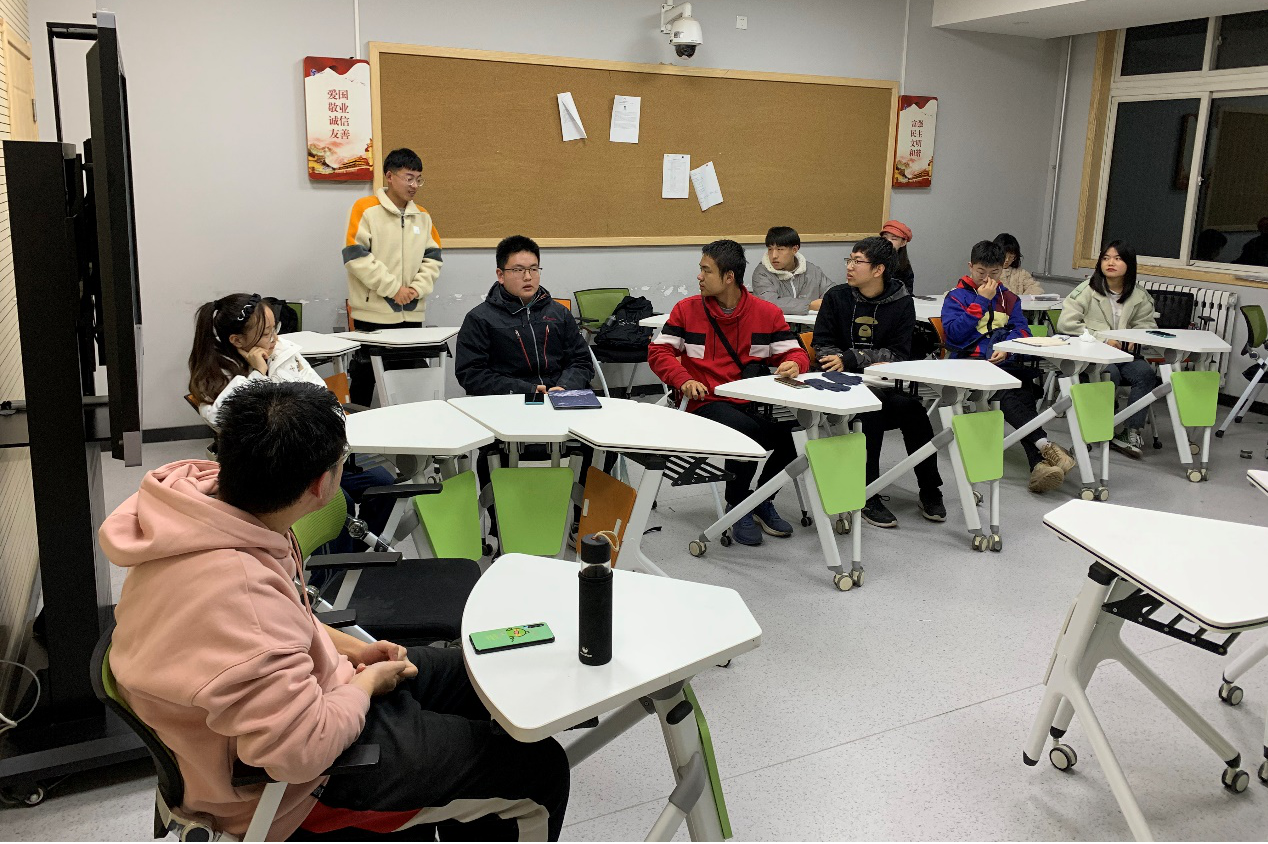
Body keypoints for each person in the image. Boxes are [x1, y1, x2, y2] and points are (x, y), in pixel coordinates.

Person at [102, 381, 570, 841]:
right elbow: (300, 753)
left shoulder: (204, 508)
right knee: (540, 771)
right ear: (321, 483)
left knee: (477, 676)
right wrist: (366, 684)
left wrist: (356, 651)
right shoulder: (238, 594)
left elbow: (285, 625)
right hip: (298, 787)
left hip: (314, 693)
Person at [188, 293, 393, 551]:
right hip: (279, 469)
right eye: (266, 334)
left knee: (383, 482)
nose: (275, 339)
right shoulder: (214, 377)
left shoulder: (283, 352)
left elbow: (323, 396)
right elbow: (231, 419)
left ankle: (352, 554)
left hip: (317, 452)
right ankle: (332, 566)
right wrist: (258, 373)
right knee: (341, 502)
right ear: (237, 340)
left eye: (275, 329)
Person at [648, 239, 810, 546]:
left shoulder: (767, 313)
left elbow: (794, 352)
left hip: (749, 403)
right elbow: (659, 352)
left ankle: (761, 499)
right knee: (746, 433)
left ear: (728, 277)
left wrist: (794, 363)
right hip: (701, 403)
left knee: (796, 436)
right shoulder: (686, 310)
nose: (699, 276)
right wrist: (683, 379)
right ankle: (737, 506)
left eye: (706, 270)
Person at [812, 236, 945, 528]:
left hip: (883, 383)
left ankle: (930, 488)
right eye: (849, 260)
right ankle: (866, 493)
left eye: (857, 261)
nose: (849, 267)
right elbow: (822, 344)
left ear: (878, 270)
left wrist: (853, 357)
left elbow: (898, 354)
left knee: (914, 410)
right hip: (841, 384)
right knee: (870, 412)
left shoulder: (901, 302)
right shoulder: (837, 297)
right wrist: (843, 360)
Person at [942, 241, 1075, 493]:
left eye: (994, 273)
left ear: (1002, 269)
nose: (987, 279)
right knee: (1004, 393)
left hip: (1003, 364)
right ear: (970, 267)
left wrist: (1007, 347)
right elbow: (954, 335)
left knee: (1024, 392)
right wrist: (981, 301)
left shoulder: (1009, 298)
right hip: (968, 365)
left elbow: (1022, 330)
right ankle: (1046, 446)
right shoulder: (956, 297)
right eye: (981, 272)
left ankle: (1039, 465)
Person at [342, 148, 444, 405]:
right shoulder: (365, 209)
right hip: (372, 317)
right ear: (389, 176)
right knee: (364, 379)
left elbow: (433, 259)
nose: (414, 185)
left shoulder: (423, 216)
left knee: (411, 384)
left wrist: (416, 289)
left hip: (412, 315)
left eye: (418, 179)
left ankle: (411, 430)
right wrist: (393, 289)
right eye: (409, 178)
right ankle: (353, 429)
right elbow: (355, 256)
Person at [454, 235, 594, 397]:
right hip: (510, 399)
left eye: (533, 269)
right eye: (518, 270)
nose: (528, 277)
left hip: (560, 395)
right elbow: (471, 374)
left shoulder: (559, 313)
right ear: (500, 275)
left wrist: (565, 386)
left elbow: (581, 361)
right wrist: (526, 390)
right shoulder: (480, 318)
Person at [1057, 240, 1160, 458]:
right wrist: (1102, 339)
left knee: (1145, 375)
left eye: (1117, 258)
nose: (1110, 263)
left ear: (1129, 264)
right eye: (1106, 258)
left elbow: (1147, 326)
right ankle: (1102, 424)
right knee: (1108, 374)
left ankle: (1131, 431)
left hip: (1125, 355)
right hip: (1094, 354)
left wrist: (1134, 338)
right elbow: (1066, 324)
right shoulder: (1086, 290)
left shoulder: (1139, 295)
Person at [750, 226, 837, 314]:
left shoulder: (812, 270)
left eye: (780, 249)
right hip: (777, 322)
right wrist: (809, 305)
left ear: (794, 250)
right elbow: (769, 303)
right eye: (770, 249)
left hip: (811, 323)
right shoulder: (762, 273)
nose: (774, 255)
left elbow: (834, 294)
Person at [879, 220, 915, 294]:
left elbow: (907, 293)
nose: (888, 242)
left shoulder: (905, 267)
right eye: (885, 238)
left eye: (894, 239)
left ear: (903, 243)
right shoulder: (871, 259)